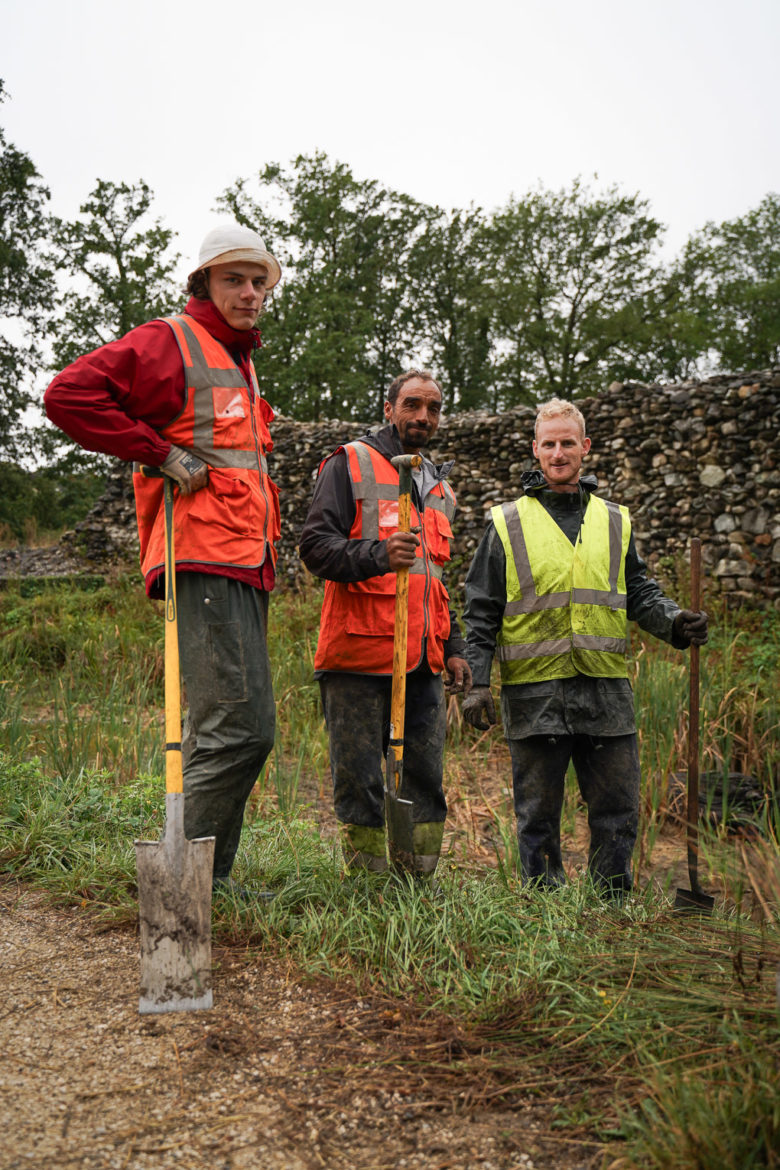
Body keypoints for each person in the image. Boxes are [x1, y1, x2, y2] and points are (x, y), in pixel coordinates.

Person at [44, 223, 283, 897]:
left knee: (241, 732)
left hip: (242, 560)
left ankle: (209, 881)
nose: (250, 292)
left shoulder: (237, 359)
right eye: (234, 278)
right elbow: (68, 396)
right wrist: (160, 453)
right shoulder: (170, 341)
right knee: (236, 730)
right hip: (204, 559)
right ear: (203, 281)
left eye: (258, 281)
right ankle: (178, 897)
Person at [462, 397, 708, 897]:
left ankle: (612, 905)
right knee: (537, 814)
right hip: (536, 694)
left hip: (605, 689)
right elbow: (481, 609)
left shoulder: (615, 521)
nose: (558, 452)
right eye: (548, 444)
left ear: (585, 448)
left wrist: (675, 623)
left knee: (617, 808)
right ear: (535, 450)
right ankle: (544, 907)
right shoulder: (506, 523)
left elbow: (638, 592)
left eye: (567, 443)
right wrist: (477, 682)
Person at [299, 370, 472, 877]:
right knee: (359, 779)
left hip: (421, 659)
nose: (424, 416)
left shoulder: (441, 489)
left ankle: (416, 882)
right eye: (413, 404)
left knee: (425, 776)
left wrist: (455, 645)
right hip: (356, 655)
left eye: (434, 408)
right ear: (388, 407)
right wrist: (377, 554)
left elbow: (434, 580)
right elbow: (314, 548)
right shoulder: (348, 463)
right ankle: (368, 883)